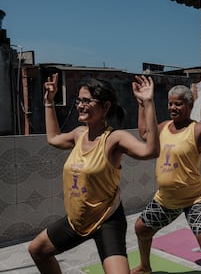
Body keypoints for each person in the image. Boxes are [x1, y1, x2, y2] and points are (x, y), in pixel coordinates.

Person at [28, 74, 160, 273]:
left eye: (86, 101)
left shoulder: (115, 138)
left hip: (107, 220)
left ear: (105, 107)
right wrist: (49, 101)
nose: (80, 105)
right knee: (37, 250)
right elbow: (53, 138)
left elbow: (151, 151)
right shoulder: (78, 134)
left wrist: (148, 103)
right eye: (79, 100)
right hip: (77, 220)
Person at [131, 85, 201, 274]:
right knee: (141, 229)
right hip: (166, 199)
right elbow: (146, 134)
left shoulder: (198, 130)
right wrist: (141, 104)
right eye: (170, 104)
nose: (172, 108)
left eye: (178, 104)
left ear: (189, 104)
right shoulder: (163, 126)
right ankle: (145, 267)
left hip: (195, 199)